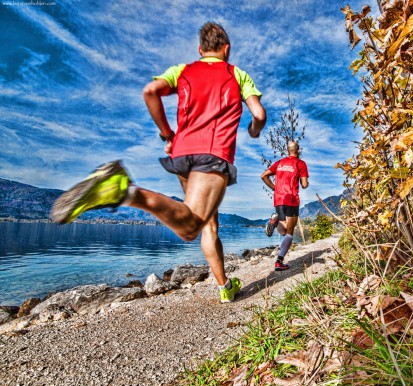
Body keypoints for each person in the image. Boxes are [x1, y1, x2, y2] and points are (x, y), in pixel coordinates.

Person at [51, 22, 266, 303]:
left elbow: (151, 91)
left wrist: (167, 133)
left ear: (200, 50)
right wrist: (253, 130)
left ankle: (225, 287)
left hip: (181, 153)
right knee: (191, 227)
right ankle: (124, 191)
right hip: (212, 154)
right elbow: (259, 114)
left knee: (206, 222)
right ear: (227, 49)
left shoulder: (184, 70)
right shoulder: (236, 73)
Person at [261, 141, 309, 271]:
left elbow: (263, 175)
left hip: (279, 199)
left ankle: (275, 222)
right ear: (298, 150)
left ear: (288, 151)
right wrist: (303, 180)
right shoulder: (301, 164)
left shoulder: (280, 163)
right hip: (291, 199)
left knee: (283, 230)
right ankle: (279, 262)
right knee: (289, 233)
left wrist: (275, 188)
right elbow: (304, 185)